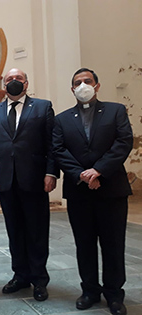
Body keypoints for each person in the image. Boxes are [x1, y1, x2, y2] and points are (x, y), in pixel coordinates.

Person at [52, 68, 133, 315]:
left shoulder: (115, 110)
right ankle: (89, 290)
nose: (83, 85)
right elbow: (59, 149)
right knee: (84, 244)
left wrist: (98, 171)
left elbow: (124, 142)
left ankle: (114, 294)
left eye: (87, 81)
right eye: (78, 82)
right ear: (72, 89)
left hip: (111, 189)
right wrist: (82, 175)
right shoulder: (62, 119)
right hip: (79, 191)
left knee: (113, 244)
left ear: (97, 85)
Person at [0, 68, 58, 301]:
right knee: (14, 231)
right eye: (9, 80)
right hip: (5, 180)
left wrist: (51, 173)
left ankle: (39, 279)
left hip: (34, 179)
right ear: (3, 85)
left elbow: (52, 144)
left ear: (26, 84)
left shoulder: (43, 107)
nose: (14, 82)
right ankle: (20, 275)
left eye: (18, 79)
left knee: (36, 231)